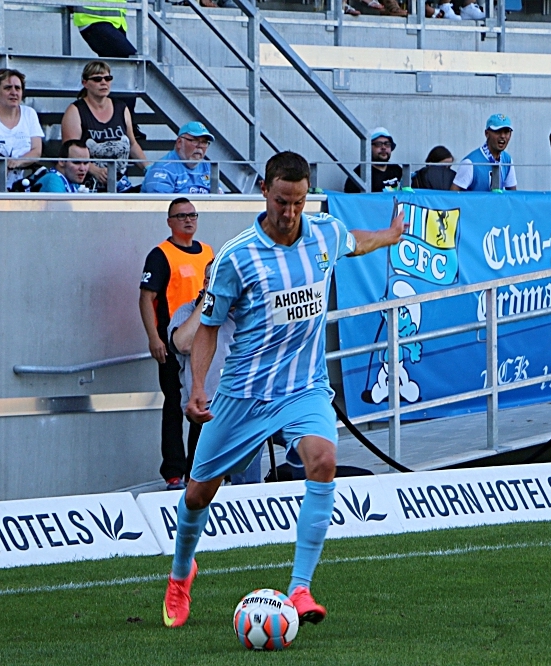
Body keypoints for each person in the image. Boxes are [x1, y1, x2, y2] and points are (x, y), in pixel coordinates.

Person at [162, 150, 406, 630]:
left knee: (323, 461)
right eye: (281, 202)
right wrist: (196, 388)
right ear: (264, 191)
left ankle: (299, 588)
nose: (289, 213)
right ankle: (180, 574)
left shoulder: (322, 233)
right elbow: (208, 327)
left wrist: (391, 236)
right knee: (197, 494)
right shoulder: (236, 256)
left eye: (297, 202)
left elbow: (355, 241)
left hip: (305, 389)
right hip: (244, 396)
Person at [140, 198, 215, 491]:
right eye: (181, 216)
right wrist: (153, 337)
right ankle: (173, 471)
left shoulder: (207, 252)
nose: (188, 220)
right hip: (173, 342)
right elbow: (146, 298)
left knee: (203, 404)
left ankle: (197, 469)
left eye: (192, 215)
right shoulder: (161, 255)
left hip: (204, 341)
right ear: (169, 221)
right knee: (174, 405)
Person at [167, 266, 262, 485]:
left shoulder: (248, 314)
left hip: (246, 402)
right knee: (204, 481)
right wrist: (210, 299)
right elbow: (183, 343)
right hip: (206, 406)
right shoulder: (188, 311)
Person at [60, 61, 147, 193]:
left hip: (121, 184)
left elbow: (133, 145)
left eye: (108, 78)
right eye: (97, 79)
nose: (103, 82)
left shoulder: (121, 108)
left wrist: (149, 168)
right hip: (88, 187)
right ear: (85, 83)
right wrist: (95, 170)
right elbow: (70, 154)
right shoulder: (75, 111)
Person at [143, 122, 219, 194]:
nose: (200, 146)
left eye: (204, 142)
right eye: (195, 140)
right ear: (179, 142)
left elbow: (220, 199)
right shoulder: (163, 169)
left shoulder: (208, 167)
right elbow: (160, 205)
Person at [452, 114, 517, 191]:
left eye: (506, 132)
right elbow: (453, 195)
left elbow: (512, 194)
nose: (502, 136)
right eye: (498, 131)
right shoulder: (470, 163)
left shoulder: (507, 159)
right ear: (487, 133)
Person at [344, 127, 403, 193]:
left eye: (387, 144)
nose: (383, 147)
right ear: (368, 148)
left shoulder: (397, 169)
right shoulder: (358, 175)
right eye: (378, 144)